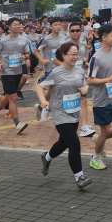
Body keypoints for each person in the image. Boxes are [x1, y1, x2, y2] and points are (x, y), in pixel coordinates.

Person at [35, 42, 92, 190]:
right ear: (64, 55)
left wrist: (85, 89)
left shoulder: (79, 71)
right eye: (72, 54)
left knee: (64, 142)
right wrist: (43, 102)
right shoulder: (56, 72)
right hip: (60, 113)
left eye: (76, 54)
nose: (75, 57)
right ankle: (79, 178)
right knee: (74, 143)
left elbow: (84, 85)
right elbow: (39, 85)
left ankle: (47, 157)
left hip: (73, 112)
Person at [85, 24, 112, 170]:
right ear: (104, 37)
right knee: (106, 130)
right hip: (101, 100)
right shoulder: (96, 58)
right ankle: (95, 158)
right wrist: (107, 80)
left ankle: (99, 140)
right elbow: (89, 80)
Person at [0, 19, 30, 135]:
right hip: (6, 72)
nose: (18, 26)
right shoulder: (3, 41)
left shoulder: (24, 39)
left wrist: (24, 57)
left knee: (9, 95)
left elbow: (27, 54)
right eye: (15, 25)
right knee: (13, 98)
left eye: (19, 24)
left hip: (18, 70)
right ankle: (18, 124)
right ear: (9, 27)